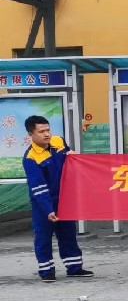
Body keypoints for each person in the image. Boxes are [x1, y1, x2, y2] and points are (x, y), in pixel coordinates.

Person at [22, 115, 92, 282]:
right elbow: (38, 187)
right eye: (41, 131)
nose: (47, 134)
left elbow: (67, 158)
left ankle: (74, 268)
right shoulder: (30, 158)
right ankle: (47, 271)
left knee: (68, 233)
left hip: (64, 199)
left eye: (48, 130)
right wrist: (48, 210)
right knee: (43, 237)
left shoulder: (58, 141)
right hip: (43, 203)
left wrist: (71, 155)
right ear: (31, 134)